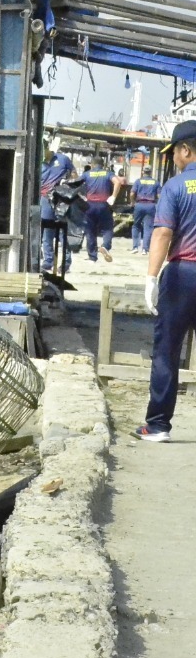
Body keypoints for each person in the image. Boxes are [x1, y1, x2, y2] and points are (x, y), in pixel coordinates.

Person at [137, 120, 196, 443]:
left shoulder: (175, 187)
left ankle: (158, 425)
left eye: (174, 152)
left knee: (167, 351)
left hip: (182, 274)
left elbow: (162, 232)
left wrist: (151, 277)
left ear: (186, 150)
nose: (173, 158)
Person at [39, 149, 76, 274]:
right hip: (45, 199)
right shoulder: (38, 161)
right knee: (47, 232)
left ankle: (66, 263)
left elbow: (74, 174)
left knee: (63, 232)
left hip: (61, 198)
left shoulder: (63, 159)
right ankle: (48, 261)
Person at [80, 159, 122, 263]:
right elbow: (117, 182)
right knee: (107, 228)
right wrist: (113, 196)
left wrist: (82, 197)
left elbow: (76, 184)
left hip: (89, 205)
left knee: (90, 231)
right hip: (104, 205)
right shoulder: (108, 173)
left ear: (92, 164)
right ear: (103, 165)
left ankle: (92, 257)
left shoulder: (87, 174)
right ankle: (106, 246)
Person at [131, 170, 162, 254]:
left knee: (136, 225)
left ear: (142, 172)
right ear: (150, 172)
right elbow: (159, 196)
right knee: (148, 227)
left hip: (139, 204)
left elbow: (132, 193)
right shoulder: (156, 182)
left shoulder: (138, 181)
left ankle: (135, 247)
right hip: (150, 205)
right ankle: (145, 249)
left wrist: (133, 202)